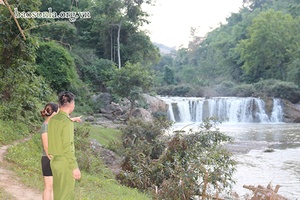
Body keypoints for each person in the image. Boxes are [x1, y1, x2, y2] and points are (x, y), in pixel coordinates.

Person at [48, 91, 81, 200]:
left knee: (58, 195)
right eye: (74, 103)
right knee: (66, 196)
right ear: (71, 104)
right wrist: (74, 166)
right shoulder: (66, 122)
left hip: (54, 161)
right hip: (65, 163)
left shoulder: (52, 119)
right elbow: (68, 146)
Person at [40, 103, 59, 200]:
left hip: (52, 158)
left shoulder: (51, 125)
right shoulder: (46, 126)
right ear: (54, 112)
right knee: (48, 186)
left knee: (52, 186)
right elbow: (46, 146)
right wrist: (51, 158)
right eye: (58, 111)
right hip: (48, 158)